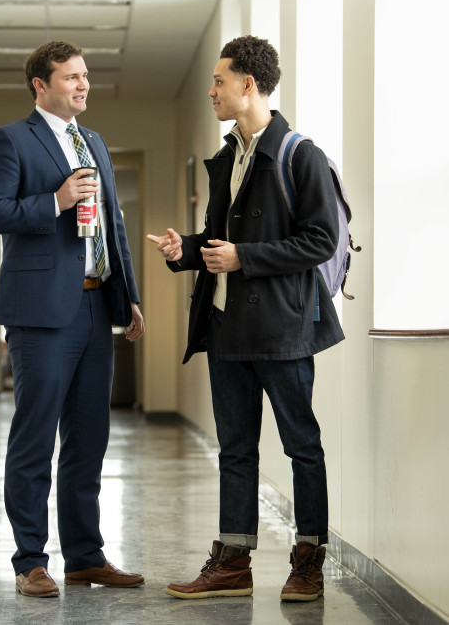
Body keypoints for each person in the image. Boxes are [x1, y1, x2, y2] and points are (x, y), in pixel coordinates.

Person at [147, 35, 344, 602]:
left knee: (301, 444)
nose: (211, 90)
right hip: (227, 326)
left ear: (248, 85)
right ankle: (232, 563)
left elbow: (321, 240)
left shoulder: (298, 153)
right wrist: (185, 249)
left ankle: (308, 559)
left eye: (218, 80)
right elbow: (222, 239)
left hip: (282, 330)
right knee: (235, 449)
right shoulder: (228, 156)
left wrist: (244, 258)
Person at [0, 41, 145, 598]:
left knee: (89, 438)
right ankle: (29, 562)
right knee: (35, 436)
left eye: (85, 76)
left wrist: (129, 299)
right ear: (40, 85)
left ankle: (85, 558)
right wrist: (54, 200)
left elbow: (112, 230)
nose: (83, 84)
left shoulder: (93, 143)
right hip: (40, 314)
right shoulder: (11, 139)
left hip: (96, 308)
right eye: (71, 77)